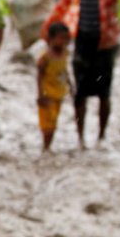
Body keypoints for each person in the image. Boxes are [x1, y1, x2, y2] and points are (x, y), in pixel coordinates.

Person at [42, 0, 120, 147]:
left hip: (105, 44)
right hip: (82, 42)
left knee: (103, 93)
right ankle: (81, 138)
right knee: (80, 93)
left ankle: (101, 137)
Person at [37, 23, 75, 153]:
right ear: (51, 39)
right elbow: (39, 76)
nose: (64, 41)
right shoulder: (45, 57)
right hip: (47, 95)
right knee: (47, 123)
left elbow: (64, 71)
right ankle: (45, 146)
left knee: (54, 122)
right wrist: (40, 94)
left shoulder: (64, 54)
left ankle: (48, 147)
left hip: (59, 94)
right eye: (61, 38)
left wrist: (70, 86)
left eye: (66, 38)